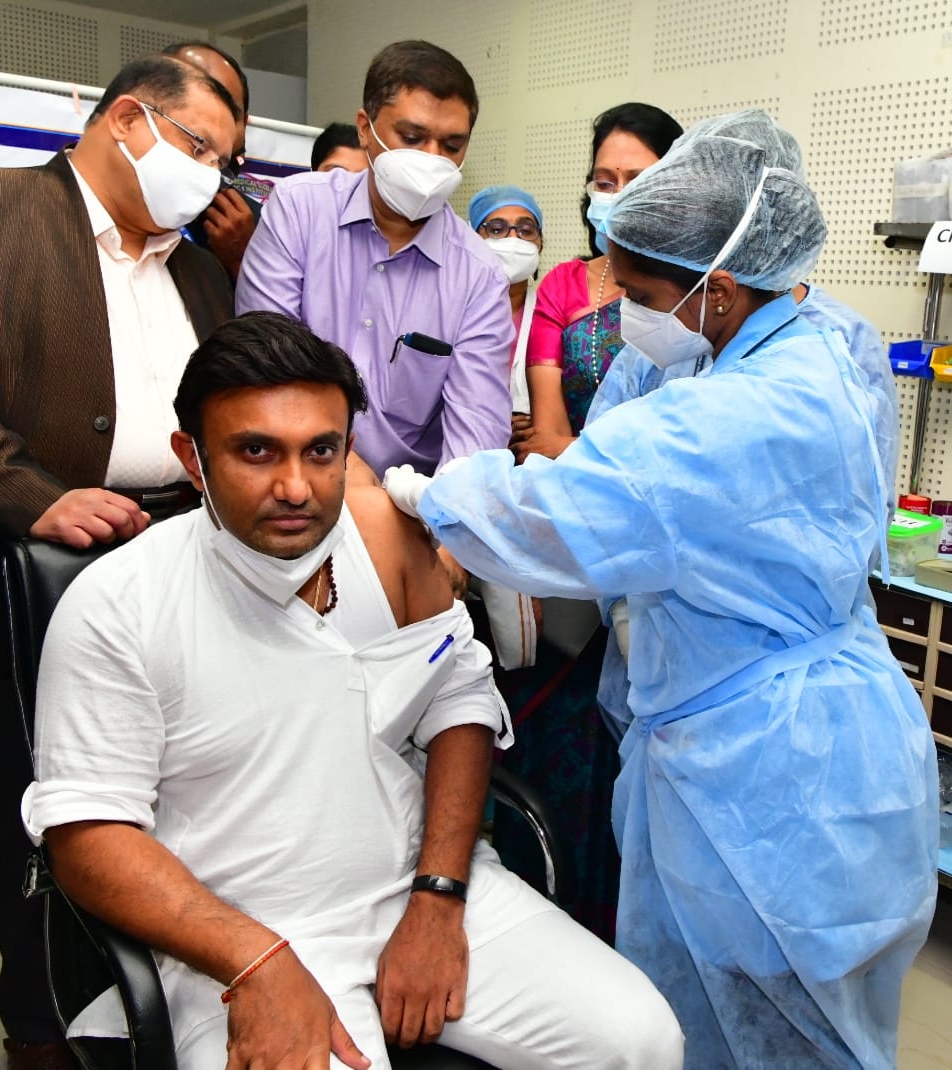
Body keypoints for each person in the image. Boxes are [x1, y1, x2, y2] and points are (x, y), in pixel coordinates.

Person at [384, 122, 938, 1069]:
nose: (626, 313)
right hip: (826, 738)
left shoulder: (731, 413)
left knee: (767, 1023)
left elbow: (567, 514)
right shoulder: (800, 350)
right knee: (789, 1018)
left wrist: (424, 494)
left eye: (639, 296)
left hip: (765, 776)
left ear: (716, 289)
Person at [22, 312, 684, 1070]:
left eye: (321, 451)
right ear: (193, 458)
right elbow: (86, 838)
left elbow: (459, 703)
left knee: (644, 1041)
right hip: (235, 939)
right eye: (255, 451)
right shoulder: (119, 604)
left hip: (418, 887)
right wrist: (255, 959)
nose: (295, 486)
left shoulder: (383, 539)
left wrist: (438, 894)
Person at [0, 54, 238, 1069]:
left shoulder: (197, 263)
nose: (212, 174)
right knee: (39, 829)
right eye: (200, 147)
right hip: (26, 578)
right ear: (129, 119)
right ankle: (44, 1029)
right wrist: (36, 497)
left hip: (180, 573)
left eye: (226, 158)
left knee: (156, 812)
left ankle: (144, 1020)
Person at [585, 109, 901, 737]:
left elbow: (857, 519)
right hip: (654, 667)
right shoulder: (663, 330)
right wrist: (622, 610)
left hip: (782, 685)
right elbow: (597, 487)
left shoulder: (840, 348)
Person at [235, 39, 514, 482]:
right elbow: (266, 369)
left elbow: (475, 434)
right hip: (288, 478)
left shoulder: (479, 276)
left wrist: (443, 523)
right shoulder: (299, 211)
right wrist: (348, 472)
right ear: (365, 129)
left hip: (406, 506)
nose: (432, 160)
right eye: (412, 137)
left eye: (452, 144)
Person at [510, 102, 681, 464]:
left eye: (638, 181)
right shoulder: (563, 285)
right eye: (605, 182)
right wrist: (568, 452)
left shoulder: (698, 290)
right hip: (568, 490)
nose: (618, 195)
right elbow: (546, 441)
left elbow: (690, 439)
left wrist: (574, 449)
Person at [164, 41, 262, 281]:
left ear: (245, 123)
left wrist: (243, 260)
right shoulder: (100, 208)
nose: (210, 128)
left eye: (229, 112)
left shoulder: (260, 224)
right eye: (190, 105)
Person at [467, 184, 543, 415]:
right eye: (497, 229)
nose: (513, 239)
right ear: (473, 239)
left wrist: (537, 421)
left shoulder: (550, 314)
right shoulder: (452, 311)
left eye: (526, 230)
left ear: (540, 244)